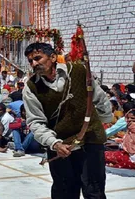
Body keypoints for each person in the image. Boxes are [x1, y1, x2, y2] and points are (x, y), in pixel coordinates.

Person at [22, 42, 111, 199]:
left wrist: (101, 122)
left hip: (90, 139)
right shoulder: (31, 87)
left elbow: (99, 98)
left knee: (94, 190)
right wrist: (54, 143)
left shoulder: (78, 71)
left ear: (53, 57)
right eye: (31, 61)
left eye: (37, 58)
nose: (34, 64)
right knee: (64, 191)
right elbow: (36, 122)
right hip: (60, 144)